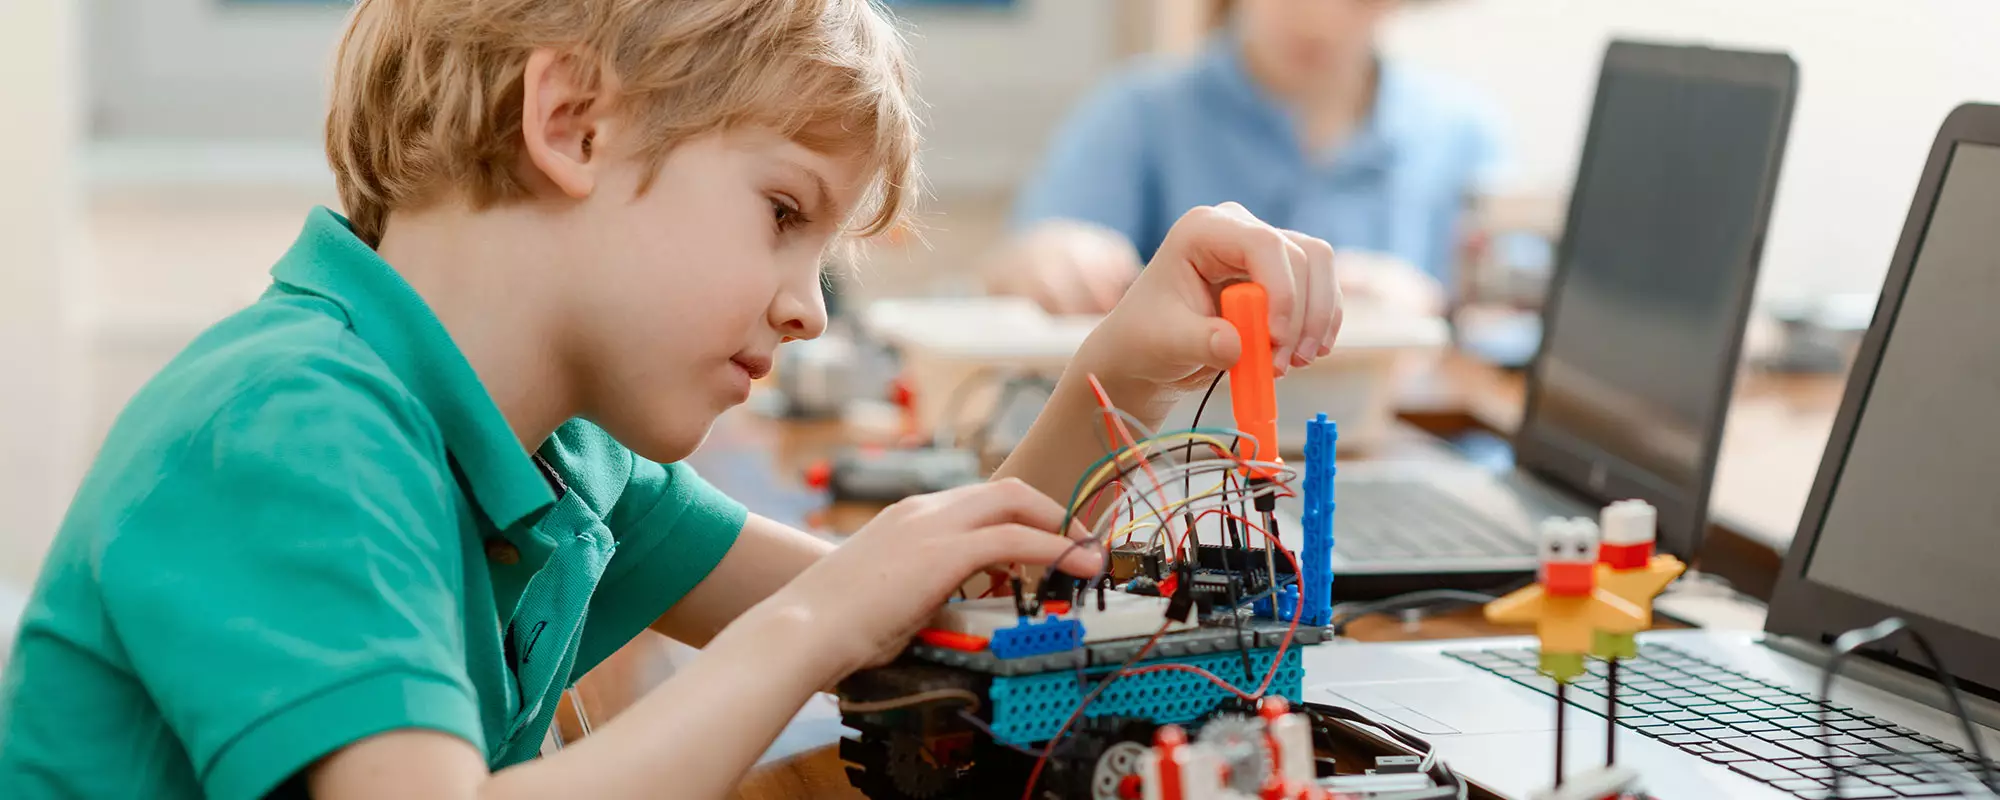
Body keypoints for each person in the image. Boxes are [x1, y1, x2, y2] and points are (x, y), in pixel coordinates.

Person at [0, 1, 1341, 797]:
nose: (811, 304)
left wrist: (1111, 378)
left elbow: (910, 614)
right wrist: (807, 626)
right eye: (781, 213)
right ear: (572, 124)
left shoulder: (557, 451)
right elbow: (828, 615)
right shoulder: (290, 430)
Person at [986, 0, 1501, 315]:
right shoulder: (1139, 114)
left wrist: (1436, 315)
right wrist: (1046, 255)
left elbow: (1516, 323)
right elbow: (1019, 266)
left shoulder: (1463, 137)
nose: (1319, 17)